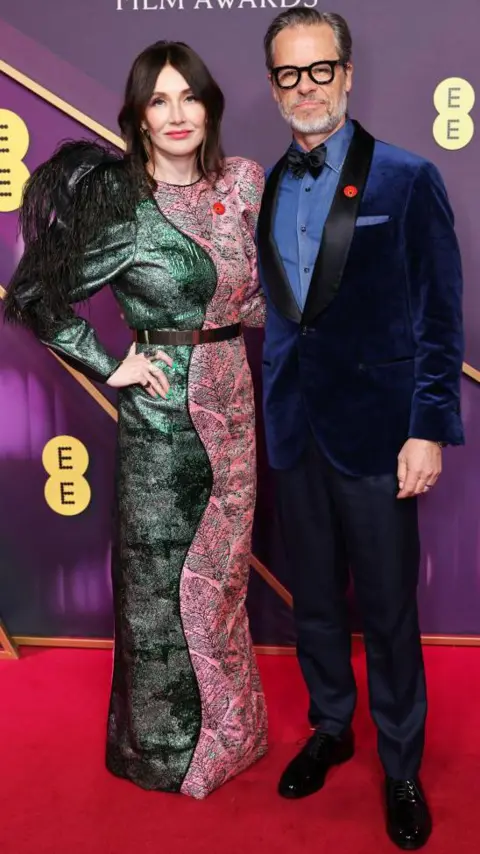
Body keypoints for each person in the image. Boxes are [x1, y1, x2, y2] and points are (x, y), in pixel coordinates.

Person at [4, 40, 268, 799]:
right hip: (163, 423)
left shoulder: (244, 182)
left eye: (190, 96)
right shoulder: (125, 203)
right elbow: (37, 295)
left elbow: (251, 298)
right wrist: (107, 360)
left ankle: (235, 730)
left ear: (210, 106)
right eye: (160, 100)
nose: (178, 113)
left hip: (235, 407)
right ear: (140, 119)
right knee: (162, 588)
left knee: (221, 584)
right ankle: (163, 751)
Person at [258, 8, 464, 849]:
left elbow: (439, 320)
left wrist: (428, 430)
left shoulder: (407, 180)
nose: (304, 87)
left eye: (319, 70)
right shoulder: (267, 182)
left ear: (346, 74)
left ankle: (402, 764)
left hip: (380, 435)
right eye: (287, 74)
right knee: (314, 603)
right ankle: (332, 727)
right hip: (295, 429)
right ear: (273, 88)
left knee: (385, 610)